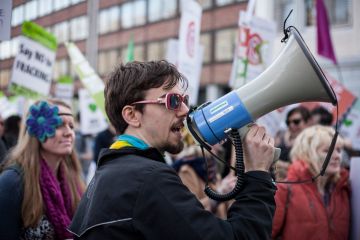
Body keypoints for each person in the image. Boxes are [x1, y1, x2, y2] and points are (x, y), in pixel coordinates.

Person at [69, 60, 276, 239]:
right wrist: (257, 173)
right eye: (172, 101)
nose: (185, 110)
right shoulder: (149, 178)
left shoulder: (110, 173)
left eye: (184, 100)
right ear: (132, 115)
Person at [0, 99, 85, 239]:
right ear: (36, 131)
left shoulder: (74, 180)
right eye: (58, 125)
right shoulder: (12, 183)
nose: (69, 132)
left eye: (71, 126)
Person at [272, 125, 350, 240]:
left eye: (338, 150)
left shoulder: (344, 189)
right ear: (307, 153)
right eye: (327, 150)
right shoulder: (285, 190)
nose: (337, 156)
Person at [274, 106, 310, 180]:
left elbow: (301, 169)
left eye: (296, 122)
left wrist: (276, 162)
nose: (291, 125)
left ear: (306, 122)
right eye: (288, 122)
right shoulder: (281, 134)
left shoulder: (308, 144)